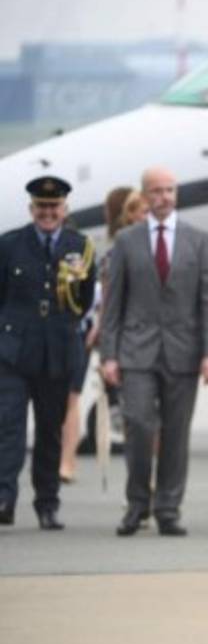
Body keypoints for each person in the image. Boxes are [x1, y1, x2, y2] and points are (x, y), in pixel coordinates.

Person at [100, 167, 208, 537]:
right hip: (135, 351)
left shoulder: (199, 240)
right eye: (156, 191)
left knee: (175, 432)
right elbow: (113, 303)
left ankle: (168, 508)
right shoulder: (126, 240)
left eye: (169, 190)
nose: (164, 197)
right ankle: (137, 505)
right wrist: (109, 355)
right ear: (144, 194)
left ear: (176, 193)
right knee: (137, 425)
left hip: (184, 353)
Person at [0, 176, 97, 529]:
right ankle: (4, 498)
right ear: (32, 209)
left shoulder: (80, 246)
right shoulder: (10, 244)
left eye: (54, 207)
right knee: (7, 427)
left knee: (49, 432)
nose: (48, 213)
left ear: (64, 209)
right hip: (12, 353)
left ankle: (47, 504)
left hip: (56, 353)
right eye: (41, 207)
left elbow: (84, 301)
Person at [59, 186, 132, 482]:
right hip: (94, 329)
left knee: (72, 397)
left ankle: (67, 462)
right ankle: (66, 462)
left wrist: (99, 327)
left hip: (91, 330)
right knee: (73, 397)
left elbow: (101, 298)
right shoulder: (100, 251)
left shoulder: (104, 252)